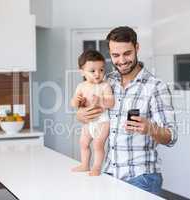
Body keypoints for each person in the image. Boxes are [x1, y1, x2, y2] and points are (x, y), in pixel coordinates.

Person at [76, 26, 178, 195]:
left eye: (127, 53)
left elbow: (171, 137)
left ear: (137, 48)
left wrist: (149, 127)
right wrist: (81, 114)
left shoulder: (156, 87)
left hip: (142, 178)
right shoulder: (107, 81)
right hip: (109, 173)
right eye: (115, 55)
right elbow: (90, 112)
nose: (121, 60)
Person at [71, 50, 115, 176]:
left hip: (102, 121)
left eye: (101, 70)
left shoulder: (104, 86)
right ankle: (85, 164)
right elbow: (73, 104)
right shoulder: (81, 86)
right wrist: (76, 101)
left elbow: (111, 103)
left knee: (98, 144)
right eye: (92, 71)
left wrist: (101, 100)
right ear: (82, 71)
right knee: (83, 142)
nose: (98, 74)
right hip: (88, 122)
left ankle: (96, 167)